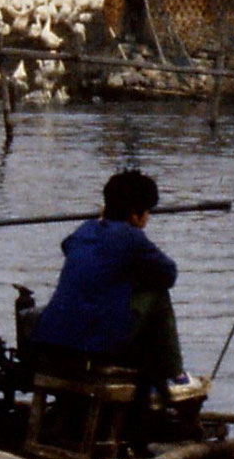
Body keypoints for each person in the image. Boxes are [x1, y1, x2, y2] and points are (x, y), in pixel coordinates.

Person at [25, 169, 189, 399]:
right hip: (93, 348)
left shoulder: (85, 230)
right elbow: (168, 274)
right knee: (157, 294)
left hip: (52, 344)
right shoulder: (131, 237)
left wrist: (100, 222)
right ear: (135, 215)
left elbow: (68, 246)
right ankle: (174, 371)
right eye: (147, 213)